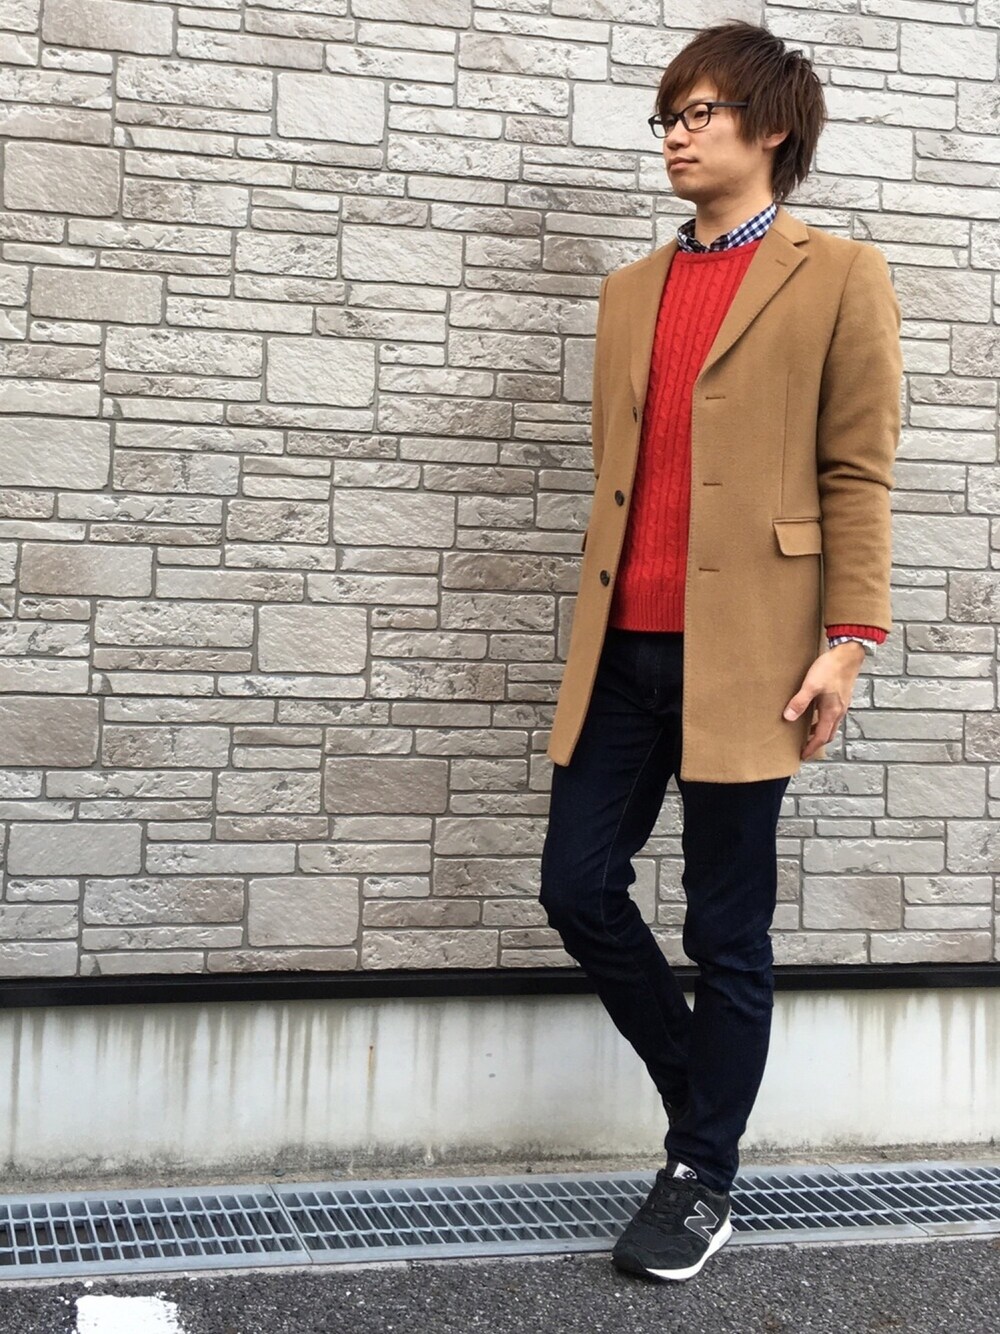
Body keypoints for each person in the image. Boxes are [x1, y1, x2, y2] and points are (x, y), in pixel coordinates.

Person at [538, 20, 903, 1284]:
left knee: (724, 926)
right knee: (577, 887)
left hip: (752, 653)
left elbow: (857, 471)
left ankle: (699, 1173)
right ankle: (706, 1092)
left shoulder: (839, 274)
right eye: (668, 116)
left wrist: (847, 641)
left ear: (771, 127)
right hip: (621, 648)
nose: (675, 136)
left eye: (698, 113)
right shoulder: (628, 292)